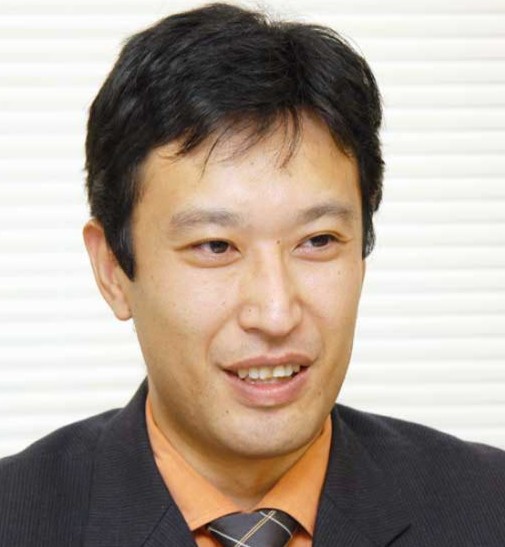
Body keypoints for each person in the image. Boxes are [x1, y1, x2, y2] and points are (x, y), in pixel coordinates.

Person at [0, 3, 504, 546]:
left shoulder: (488, 507)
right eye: (215, 246)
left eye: (318, 241)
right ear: (112, 270)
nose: (275, 313)